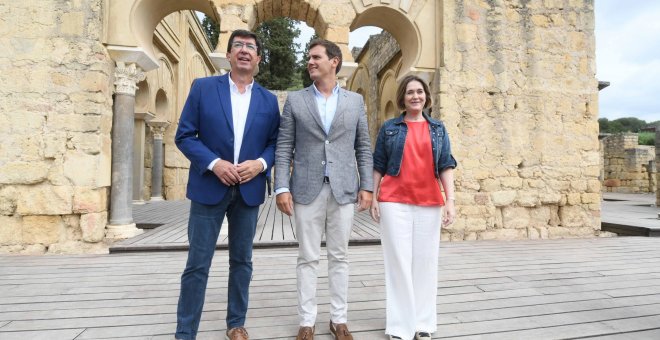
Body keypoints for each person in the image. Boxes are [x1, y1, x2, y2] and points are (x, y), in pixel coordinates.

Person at [174, 29, 280, 340]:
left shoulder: (269, 100)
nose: (245, 50)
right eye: (238, 46)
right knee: (197, 262)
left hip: (248, 192)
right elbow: (184, 136)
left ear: (258, 58)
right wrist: (214, 163)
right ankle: (185, 331)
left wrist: (259, 164)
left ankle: (236, 324)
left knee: (242, 261)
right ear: (229, 55)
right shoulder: (203, 88)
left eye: (251, 47)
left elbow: (275, 143)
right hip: (209, 187)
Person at [274, 39, 373, 340]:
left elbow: (364, 147)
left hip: (344, 190)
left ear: (335, 62)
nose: (310, 62)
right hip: (305, 189)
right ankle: (307, 321)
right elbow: (284, 147)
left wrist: (367, 186)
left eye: (316, 57)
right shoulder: (295, 100)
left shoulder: (355, 102)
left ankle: (338, 319)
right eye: (308, 57)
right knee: (307, 257)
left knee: (339, 256)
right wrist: (281, 186)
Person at [370, 75, 457, 340]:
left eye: (419, 91)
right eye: (410, 92)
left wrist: (450, 200)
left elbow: (446, 164)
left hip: (429, 202)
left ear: (426, 96)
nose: (415, 96)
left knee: (425, 263)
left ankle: (422, 324)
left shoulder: (438, 129)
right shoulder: (389, 128)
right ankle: (399, 326)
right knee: (398, 262)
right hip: (393, 201)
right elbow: (379, 164)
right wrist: (373, 197)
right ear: (402, 97)